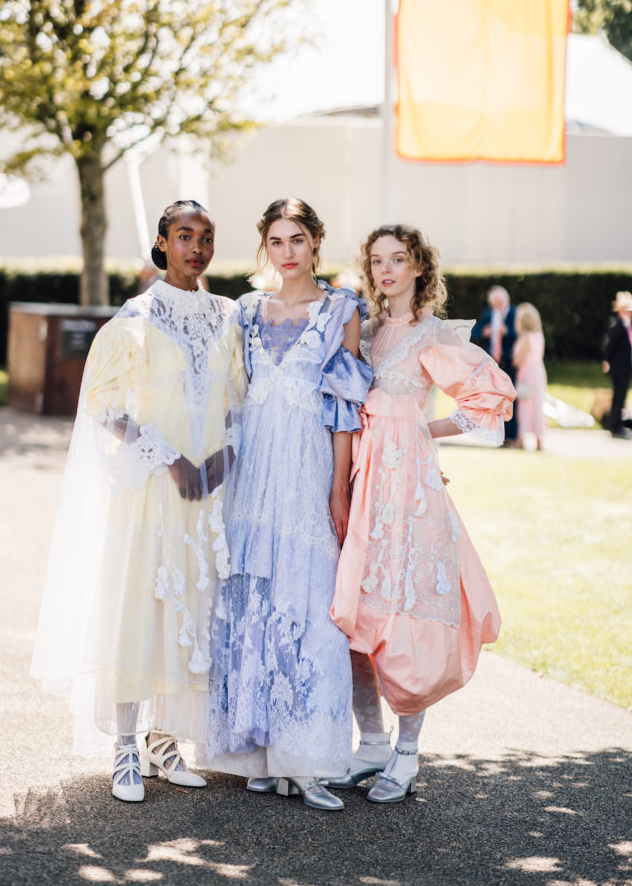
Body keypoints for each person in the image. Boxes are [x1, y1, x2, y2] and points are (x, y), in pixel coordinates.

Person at [31, 200, 246, 802]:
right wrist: (169, 456)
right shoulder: (135, 317)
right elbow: (101, 402)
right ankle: (124, 746)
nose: (197, 247)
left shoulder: (228, 317)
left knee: (192, 609)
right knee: (138, 606)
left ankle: (162, 739)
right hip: (152, 487)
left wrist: (222, 458)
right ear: (162, 242)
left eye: (206, 236)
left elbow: (238, 402)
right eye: (184, 235)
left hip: (205, 496)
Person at [329, 225, 515, 804]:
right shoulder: (363, 331)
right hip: (361, 484)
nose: (387, 270)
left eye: (398, 260)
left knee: (408, 614)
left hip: (408, 494)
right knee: (355, 614)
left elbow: (486, 398)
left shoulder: (434, 334)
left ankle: (407, 753)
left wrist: (419, 432)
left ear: (417, 268)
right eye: (377, 261)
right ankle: (371, 745)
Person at [208, 198, 372, 811]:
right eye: (276, 240)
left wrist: (339, 488)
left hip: (307, 471)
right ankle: (259, 752)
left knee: (307, 600)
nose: (287, 250)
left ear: (315, 243)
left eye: (297, 239)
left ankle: (306, 759)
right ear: (265, 248)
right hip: (253, 472)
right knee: (251, 598)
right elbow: (229, 398)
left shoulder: (341, 311)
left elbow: (344, 411)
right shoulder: (246, 312)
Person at [471, 285, 517, 444]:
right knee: (492, 400)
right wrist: (485, 332)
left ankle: (511, 436)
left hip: (508, 361)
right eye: (494, 302)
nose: (497, 305)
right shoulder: (488, 314)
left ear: (507, 300)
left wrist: (507, 332)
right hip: (492, 364)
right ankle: (495, 435)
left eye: (500, 301)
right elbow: (474, 332)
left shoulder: (514, 313)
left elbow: (521, 334)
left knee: (510, 400)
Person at [513, 302, 547, 451]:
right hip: (538, 371)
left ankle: (521, 439)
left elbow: (519, 359)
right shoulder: (539, 336)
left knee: (525, 407)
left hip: (527, 373)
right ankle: (539, 440)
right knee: (538, 406)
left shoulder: (526, 338)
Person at [603, 291, 632, 440]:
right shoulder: (617, 325)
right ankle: (615, 425)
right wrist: (607, 361)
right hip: (619, 367)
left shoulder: (627, 326)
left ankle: (618, 424)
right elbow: (609, 346)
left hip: (626, 367)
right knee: (618, 396)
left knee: (622, 396)